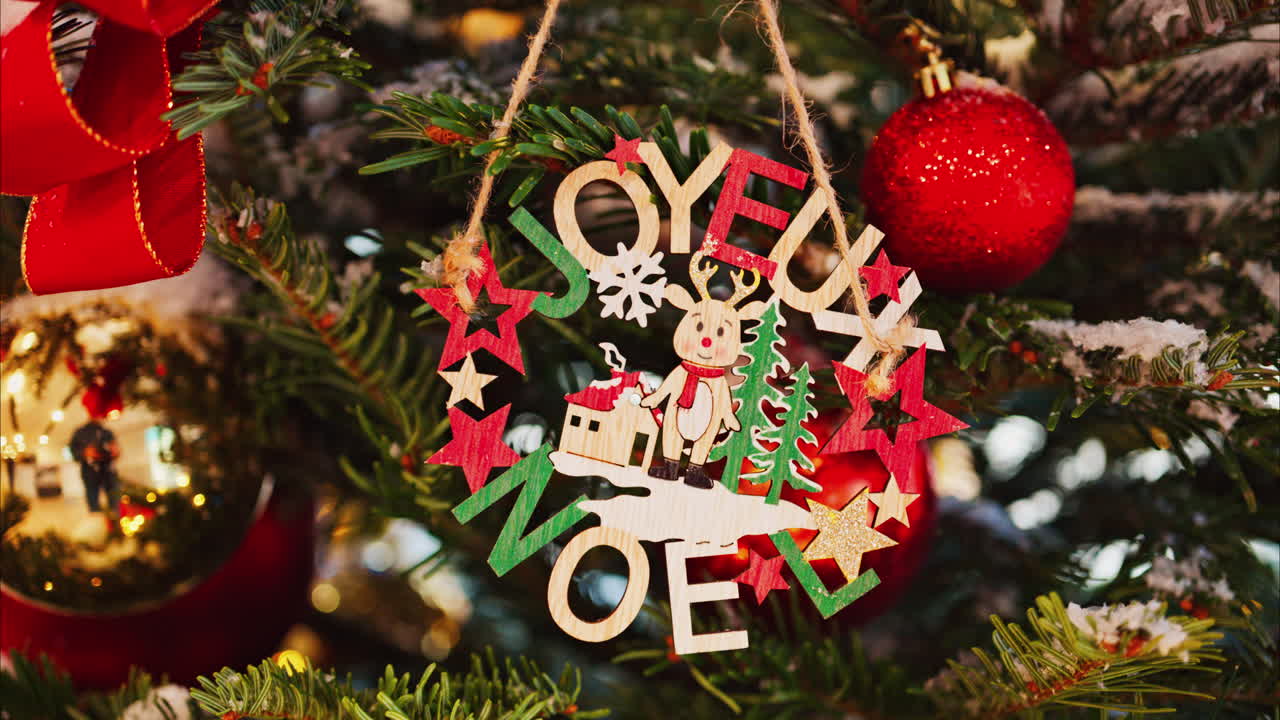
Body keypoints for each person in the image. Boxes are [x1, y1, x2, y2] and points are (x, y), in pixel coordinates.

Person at [70, 420, 119, 513]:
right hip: (89, 471)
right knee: (93, 503)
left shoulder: (107, 432)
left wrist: (115, 451)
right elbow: (74, 452)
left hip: (108, 471)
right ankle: (98, 519)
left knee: (114, 501)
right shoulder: (80, 433)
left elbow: (116, 451)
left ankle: (114, 520)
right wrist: (85, 453)